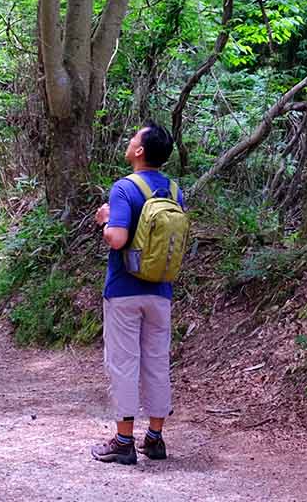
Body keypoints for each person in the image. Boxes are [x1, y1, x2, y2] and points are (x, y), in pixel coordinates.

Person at [90, 121, 181, 465]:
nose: (128, 143)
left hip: (125, 290)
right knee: (157, 362)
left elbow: (117, 239)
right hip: (161, 291)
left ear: (140, 151)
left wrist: (104, 220)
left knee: (124, 363)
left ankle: (124, 441)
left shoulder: (125, 188)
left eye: (133, 140)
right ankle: (155, 439)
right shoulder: (174, 191)